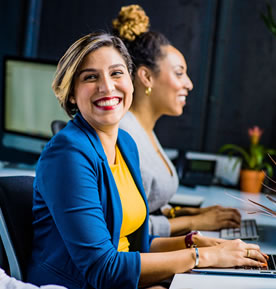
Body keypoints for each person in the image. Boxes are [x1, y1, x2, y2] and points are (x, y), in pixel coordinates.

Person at [26, 32, 267, 289]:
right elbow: (102, 268)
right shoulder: (67, 153)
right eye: (90, 77)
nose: (107, 86)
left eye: (116, 73)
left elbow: (137, 245)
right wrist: (202, 257)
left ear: (131, 81)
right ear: (72, 94)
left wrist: (198, 243)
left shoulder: (126, 144)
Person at [113, 4, 241, 237]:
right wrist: (196, 223)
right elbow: (127, 229)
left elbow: (149, 207)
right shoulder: (124, 135)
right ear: (146, 77)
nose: (189, 84)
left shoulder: (144, 130)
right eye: (179, 73)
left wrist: (189, 213)